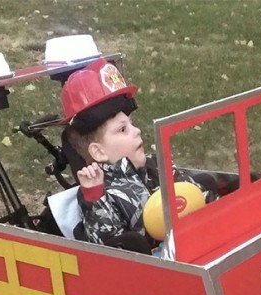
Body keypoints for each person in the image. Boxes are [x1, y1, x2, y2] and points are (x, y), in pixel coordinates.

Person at [59, 58, 215, 253]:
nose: (137, 131)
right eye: (123, 129)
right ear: (99, 151)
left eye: (132, 124)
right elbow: (107, 246)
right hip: (150, 268)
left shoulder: (155, 166)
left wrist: (211, 197)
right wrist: (94, 197)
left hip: (191, 245)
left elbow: (190, 193)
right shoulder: (99, 194)